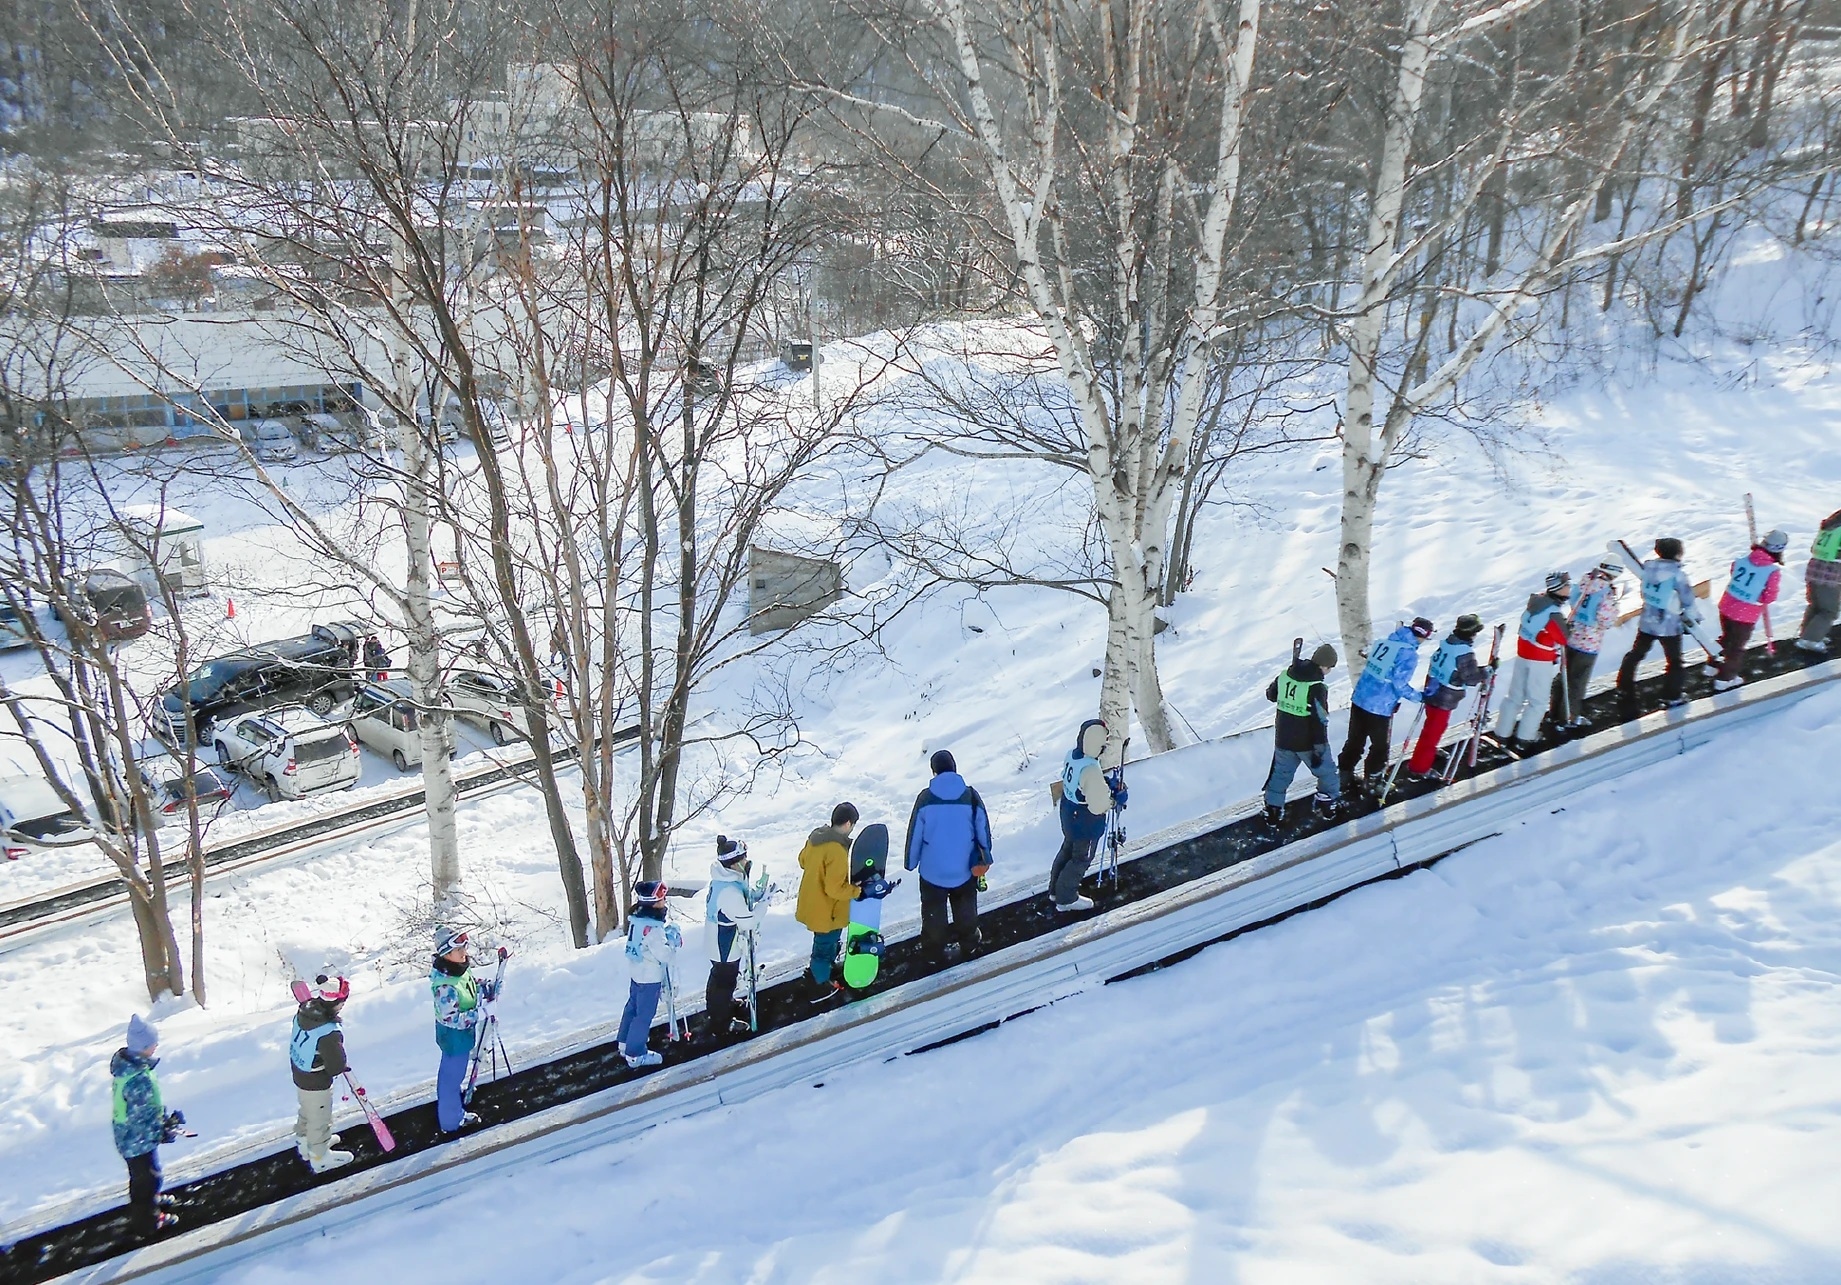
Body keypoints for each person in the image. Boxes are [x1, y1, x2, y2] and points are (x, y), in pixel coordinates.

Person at [903, 750, 993, 966]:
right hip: (964, 869)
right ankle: (970, 942)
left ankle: (934, 952)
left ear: (933, 772)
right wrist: (986, 853)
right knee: (965, 909)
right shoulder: (970, 796)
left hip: (933, 871)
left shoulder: (925, 799)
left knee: (934, 913)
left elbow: (915, 833)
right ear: (955, 768)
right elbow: (982, 827)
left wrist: (910, 862)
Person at [1339, 617, 1432, 795]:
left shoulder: (1387, 642)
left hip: (1360, 698)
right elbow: (1399, 683)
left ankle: (1344, 774)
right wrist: (1419, 697)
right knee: (1380, 747)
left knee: (1355, 741)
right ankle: (1373, 781)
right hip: (1379, 706)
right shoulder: (1409, 654)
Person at [112, 1014, 184, 1236]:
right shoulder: (137, 1079)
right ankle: (148, 1221)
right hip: (137, 1140)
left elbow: (145, 1109)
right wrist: (161, 1130)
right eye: (153, 1043)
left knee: (144, 1175)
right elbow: (141, 1116)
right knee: (149, 1177)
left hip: (131, 1137)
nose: (156, 1046)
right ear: (143, 1047)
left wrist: (162, 1122)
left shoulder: (132, 1068)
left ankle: (149, 1199)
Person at [1050, 718, 1126, 913]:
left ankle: (1055, 890)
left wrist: (1102, 783)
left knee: (1067, 850)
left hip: (1068, 812)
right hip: (1085, 821)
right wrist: (1114, 799)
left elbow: (1082, 783)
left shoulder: (1074, 756)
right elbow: (1098, 805)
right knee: (1081, 858)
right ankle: (1066, 898)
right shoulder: (1091, 769)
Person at [1617, 537, 1703, 711]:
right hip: (1669, 624)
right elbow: (1687, 599)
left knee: (1636, 653)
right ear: (1678, 553)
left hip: (1648, 620)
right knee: (1675, 661)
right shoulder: (1678, 574)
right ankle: (1672, 696)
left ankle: (1624, 685)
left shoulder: (1648, 569)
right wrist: (1695, 618)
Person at [1262, 642, 1341, 826]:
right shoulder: (1317, 687)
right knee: (1327, 773)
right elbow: (1319, 719)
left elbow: (1271, 695)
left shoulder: (1285, 675)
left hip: (1283, 737)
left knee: (1280, 774)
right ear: (1324, 666)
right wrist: (1319, 750)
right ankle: (1327, 804)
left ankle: (1273, 810)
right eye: (1330, 668)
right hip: (1308, 741)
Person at [1494, 572, 1571, 749]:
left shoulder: (1536, 602)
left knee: (1515, 696)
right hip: (1540, 660)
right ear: (1559, 589)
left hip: (1523, 654)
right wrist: (1568, 628)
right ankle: (1525, 737)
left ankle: (1502, 732)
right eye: (1567, 585)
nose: (1570, 588)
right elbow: (1563, 638)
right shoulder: (1553, 613)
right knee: (1538, 700)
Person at [1405, 614, 1489, 777]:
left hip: (1433, 690)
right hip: (1444, 697)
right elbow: (1470, 678)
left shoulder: (1448, 643)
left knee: (1432, 728)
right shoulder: (1464, 652)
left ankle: (1425, 755)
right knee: (1433, 732)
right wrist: (1487, 671)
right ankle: (1419, 768)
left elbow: (1457, 669)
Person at [431, 926, 497, 1133]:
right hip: (453, 1038)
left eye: (464, 947)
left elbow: (469, 984)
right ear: (446, 954)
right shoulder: (444, 985)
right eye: (458, 949)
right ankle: (451, 1122)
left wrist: (484, 986)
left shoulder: (458, 968)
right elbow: (452, 1018)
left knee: (454, 1075)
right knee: (450, 1079)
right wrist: (481, 1013)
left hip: (463, 1036)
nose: (464, 952)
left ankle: (453, 1109)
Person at [796, 803, 861, 1003]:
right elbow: (834, 889)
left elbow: (802, 860)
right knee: (824, 946)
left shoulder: (816, 837)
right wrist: (856, 890)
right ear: (849, 823)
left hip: (811, 902)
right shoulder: (837, 850)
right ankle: (821, 984)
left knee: (823, 943)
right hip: (827, 909)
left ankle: (823, 971)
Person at [289, 974, 354, 1172]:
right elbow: (335, 1066)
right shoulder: (329, 1032)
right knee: (319, 1117)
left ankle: (304, 1140)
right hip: (316, 1080)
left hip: (300, 1071)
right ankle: (319, 1155)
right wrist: (341, 1063)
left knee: (307, 1109)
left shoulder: (306, 1011)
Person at [1550, 560, 1623, 730]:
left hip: (1572, 635)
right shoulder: (1606, 593)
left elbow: (1573, 599)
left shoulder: (1585, 580)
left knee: (1565, 675)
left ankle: (1554, 711)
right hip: (1589, 642)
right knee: (1578, 681)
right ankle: (1569, 716)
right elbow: (1606, 620)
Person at [618, 881, 681, 1068]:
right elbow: (663, 954)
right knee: (644, 1014)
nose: (664, 903)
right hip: (650, 977)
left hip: (637, 972)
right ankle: (635, 1053)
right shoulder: (653, 928)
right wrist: (673, 942)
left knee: (632, 1007)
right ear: (654, 903)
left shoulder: (638, 920)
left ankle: (624, 1041)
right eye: (662, 900)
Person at [704, 835, 763, 1033]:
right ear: (735, 863)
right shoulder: (728, 892)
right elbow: (748, 921)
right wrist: (764, 904)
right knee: (724, 980)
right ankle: (721, 1022)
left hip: (719, 938)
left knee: (721, 978)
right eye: (744, 858)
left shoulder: (725, 879)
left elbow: (743, 896)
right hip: (724, 944)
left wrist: (756, 894)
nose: (747, 861)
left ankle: (723, 1005)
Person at [1797, 509, 1841, 653]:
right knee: (1829, 610)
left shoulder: (1832, 523)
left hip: (1815, 567)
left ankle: (1808, 633)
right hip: (1830, 573)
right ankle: (1810, 639)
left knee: (1816, 605)